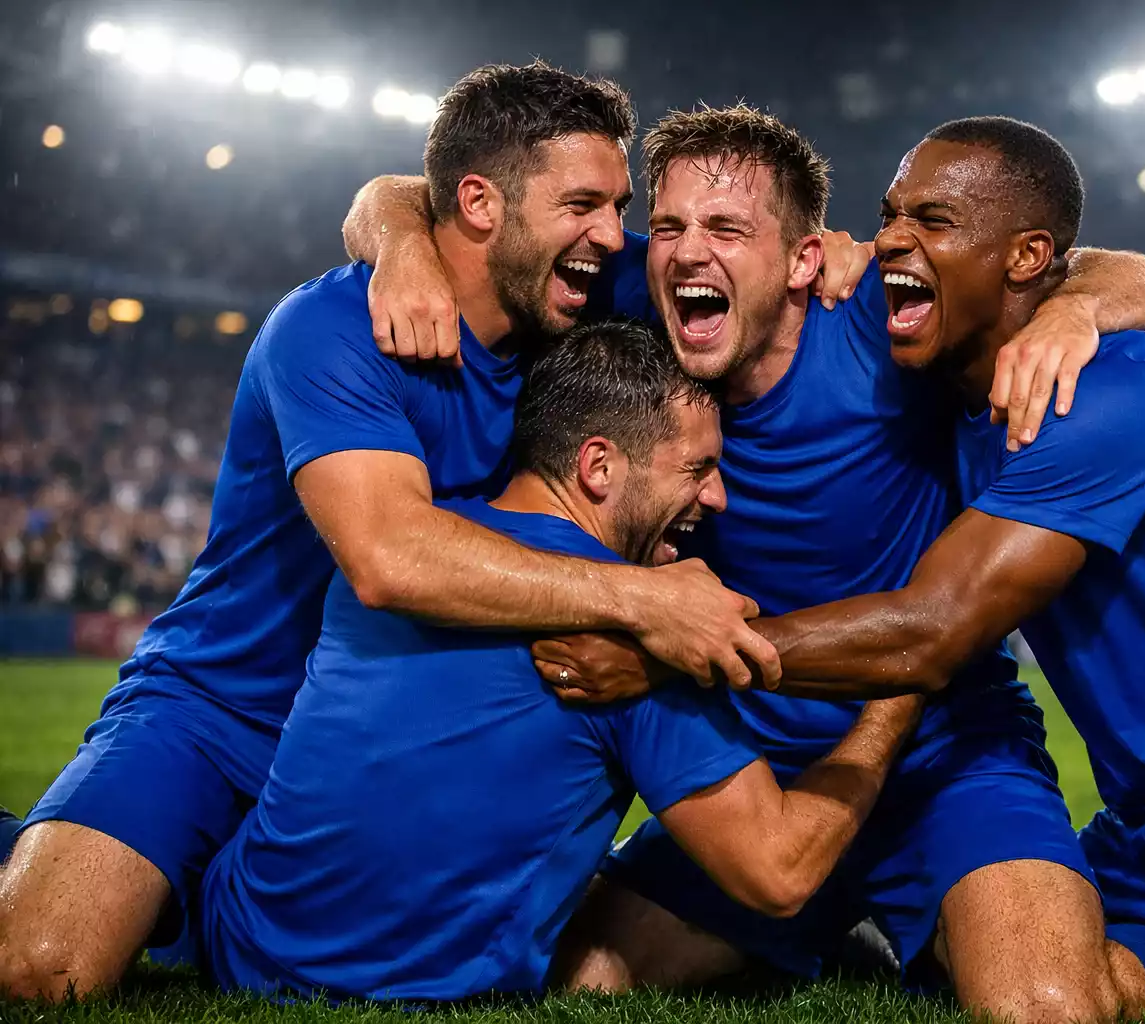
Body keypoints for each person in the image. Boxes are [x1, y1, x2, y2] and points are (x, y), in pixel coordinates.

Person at [539, 116, 1145, 1024]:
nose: (891, 242)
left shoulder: (1098, 393)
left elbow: (936, 625)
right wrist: (392, 222)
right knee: (583, 974)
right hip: (1142, 814)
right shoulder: (942, 376)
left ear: (801, 258)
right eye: (889, 219)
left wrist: (671, 650)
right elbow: (467, 213)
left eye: (931, 219)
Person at [346, 105, 1145, 1021]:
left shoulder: (882, 316)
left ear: (805, 260)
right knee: (579, 977)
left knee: (1047, 1008)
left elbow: (1131, 269)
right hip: (767, 773)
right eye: (668, 226)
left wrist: (1075, 307)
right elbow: (411, 198)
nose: (686, 251)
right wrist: (400, 245)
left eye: (727, 229)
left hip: (944, 752)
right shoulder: (642, 292)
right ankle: (842, 939)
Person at [0, 62, 779, 1001]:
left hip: (380, 715)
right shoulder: (330, 327)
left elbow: (740, 268)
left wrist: (859, 270)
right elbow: (389, 557)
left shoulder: (574, 287)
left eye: (618, 206)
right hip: (220, 708)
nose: (616, 237)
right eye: (586, 204)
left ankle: (171, 889)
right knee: (44, 968)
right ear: (484, 205)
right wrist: (649, 599)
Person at [199, 319, 925, 1003]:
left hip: (233, 943)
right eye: (698, 468)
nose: (718, 496)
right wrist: (900, 697)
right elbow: (779, 871)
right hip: (400, 993)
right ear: (598, 466)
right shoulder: (642, 638)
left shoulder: (423, 545)